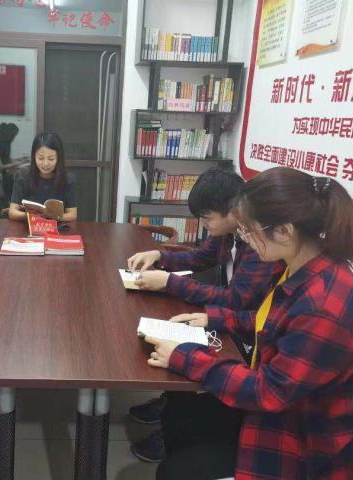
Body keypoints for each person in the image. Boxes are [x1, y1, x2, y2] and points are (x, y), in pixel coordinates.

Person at [145, 167, 353, 479]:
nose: (246, 241)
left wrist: (186, 356)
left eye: (250, 232)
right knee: (182, 415)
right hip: (283, 410)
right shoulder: (298, 267)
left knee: (177, 470)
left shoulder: (324, 303)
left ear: (285, 231)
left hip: (302, 445)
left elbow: (268, 392)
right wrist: (214, 320)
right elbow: (268, 322)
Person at [125, 167, 284, 463]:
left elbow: (236, 300)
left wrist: (169, 283)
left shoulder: (258, 243)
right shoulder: (228, 233)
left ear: (234, 211)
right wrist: (160, 256)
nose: (203, 224)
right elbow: (199, 257)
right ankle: (169, 403)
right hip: (234, 320)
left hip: (247, 337)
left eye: (207, 217)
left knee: (184, 346)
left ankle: (175, 421)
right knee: (174, 330)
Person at [8, 132, 77, 222]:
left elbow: (72, 214)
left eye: (51, 159)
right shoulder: (23, 176)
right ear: (34, 156)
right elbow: (12, 212)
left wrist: (52, 218)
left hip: (57, 227)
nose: (45, 163)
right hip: (29, 226)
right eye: (40, 158)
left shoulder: (68, 179)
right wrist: (31, 216)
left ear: (58, 158)